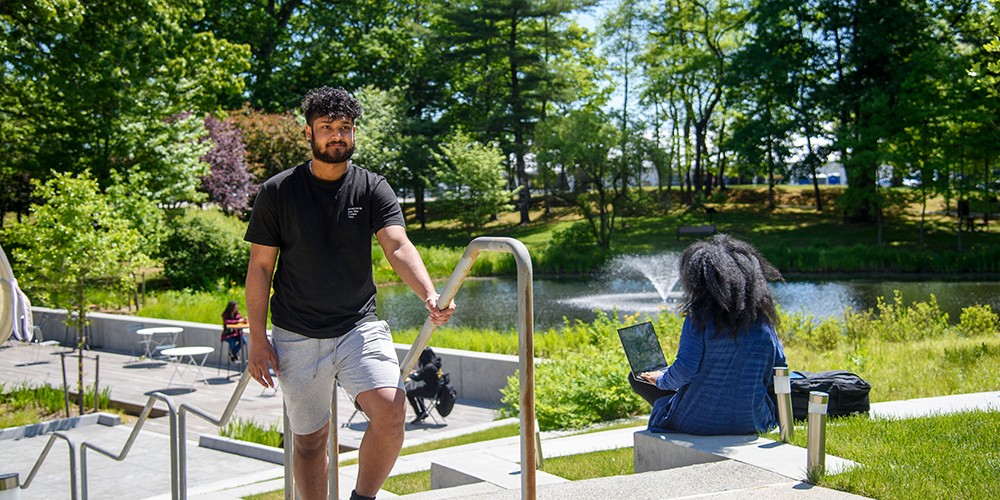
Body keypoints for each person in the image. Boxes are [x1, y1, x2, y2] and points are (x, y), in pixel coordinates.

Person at [243, 86, 456, 500]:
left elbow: (397, 245)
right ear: (308, 132)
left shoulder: (372, 187)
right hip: (296, 333)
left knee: (391, 411)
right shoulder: (278, 192)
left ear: (354, 132)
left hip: (358, 327)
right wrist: (257, 338)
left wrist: (429, 294)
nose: (336, 135)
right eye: (327, 127)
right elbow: (261, 267)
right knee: (310, 441)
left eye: (345, 127)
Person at [630, 234, 787, 435]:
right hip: (754, 420)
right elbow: (780, 369)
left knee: (638, 379)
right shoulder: (762, 321)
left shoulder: (699, 319)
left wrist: (660, 379)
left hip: (697, 423)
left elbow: (685, 370)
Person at [405, 347, 442, 424]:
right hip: (437, 390)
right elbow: (423, 372)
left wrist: (408, 374)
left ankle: (419, 414)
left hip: (431, 391)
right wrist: (416, 372)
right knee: (418, 391)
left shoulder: (429, 367)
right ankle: (423, 412)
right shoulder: (435, 364)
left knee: (409, 393)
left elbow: (417, 378)